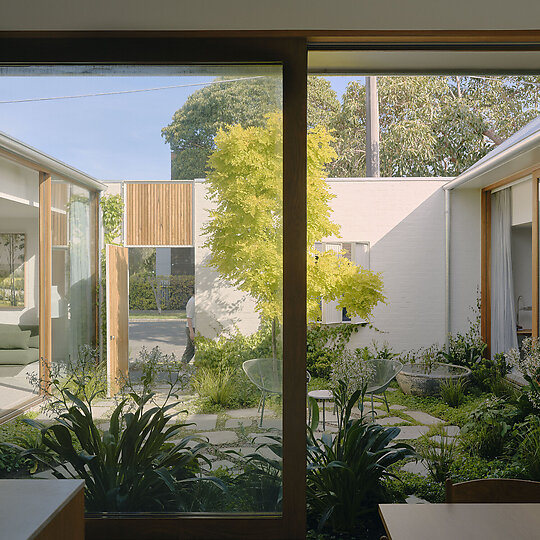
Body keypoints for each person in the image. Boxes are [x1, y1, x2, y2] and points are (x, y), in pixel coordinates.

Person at [182, 295, 195, 363]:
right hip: (192, 328)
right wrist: (191, 332)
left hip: (195, 328)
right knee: (189, 351)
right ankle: (182, 369)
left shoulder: (196, 300)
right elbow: (189, 318)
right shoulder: (192, 301)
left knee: (193, 350)